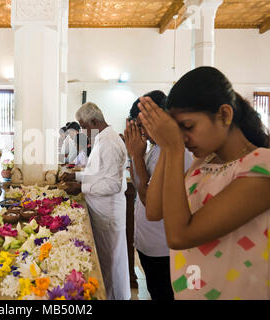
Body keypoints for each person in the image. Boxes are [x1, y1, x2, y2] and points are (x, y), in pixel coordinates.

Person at [139, 66, 270, 300]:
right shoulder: (204, 162)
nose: (183, 138)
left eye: (188, 127)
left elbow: (180, 236)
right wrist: (167, 146)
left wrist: (173, 147)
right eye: (177, 130)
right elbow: (154, 210)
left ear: (225, 115)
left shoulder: (261, 167)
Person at [124, 90, 193, 300]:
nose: (141, 132)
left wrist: (136, 155)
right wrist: (135, 156)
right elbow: (139, 185)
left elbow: (150, 202)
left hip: (165, 248)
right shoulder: (155, 149)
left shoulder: (177, 153)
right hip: (149, 244)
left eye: (143, 125)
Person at [61, 102, 130, 300]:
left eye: (83, 126)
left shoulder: (109, 141)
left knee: (111, 264)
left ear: (93, 121)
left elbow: (112, 185)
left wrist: (81, 187)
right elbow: (97, 174)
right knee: (107, 262)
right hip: (101, 210)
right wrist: (76, 177)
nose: (82, 130)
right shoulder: (102, 138)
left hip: (108, 213)